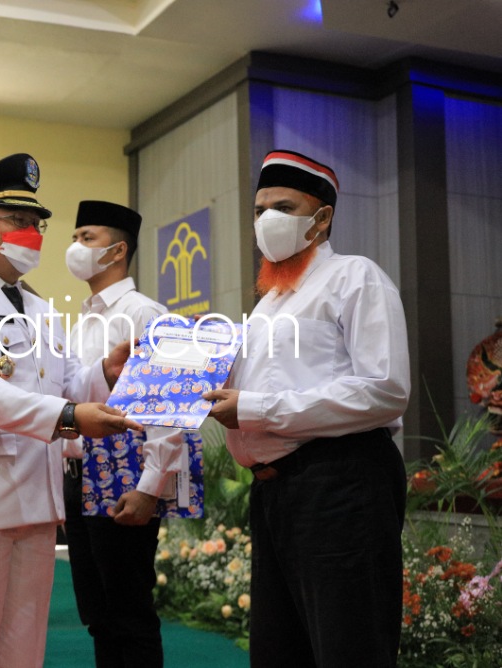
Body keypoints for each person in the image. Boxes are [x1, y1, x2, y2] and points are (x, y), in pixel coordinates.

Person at [0, 153, 143, 668]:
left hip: (34, 504)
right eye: (18, 220)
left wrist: (105, 374)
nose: (33, 233)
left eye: (37, 223)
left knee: (22, 654)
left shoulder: (39, 307)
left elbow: (65, 382)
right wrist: (68, 417)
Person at [203, 149, 410, 668]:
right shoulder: (267, 306)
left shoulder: (355, 277)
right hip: (275, 493)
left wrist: (256, 409)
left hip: (340, 483)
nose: (266, 220)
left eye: (283, 207)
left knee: (349, 648)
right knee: (279, 651)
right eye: (259, 210)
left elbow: (385, 389)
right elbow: (251, 392)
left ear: (322, 217)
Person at [62, 200, 184, 667]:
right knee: (98, 614)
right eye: (75, 238)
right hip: (79, 474)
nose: (75, 247)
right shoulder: (84, 318)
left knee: (129, 612)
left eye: (86, 237)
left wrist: (150, 486)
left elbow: (168, 406)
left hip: (123, 474)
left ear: (117, 251)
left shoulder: (144, 312)